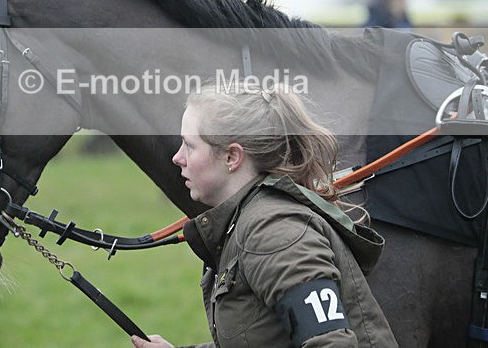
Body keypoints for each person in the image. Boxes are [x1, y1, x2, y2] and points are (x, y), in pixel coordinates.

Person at [131, 82, 396, 347]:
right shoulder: (247, 220)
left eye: (190, 145)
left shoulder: (275, 233)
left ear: (232, 157)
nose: (178, 157)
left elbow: (332, 343)